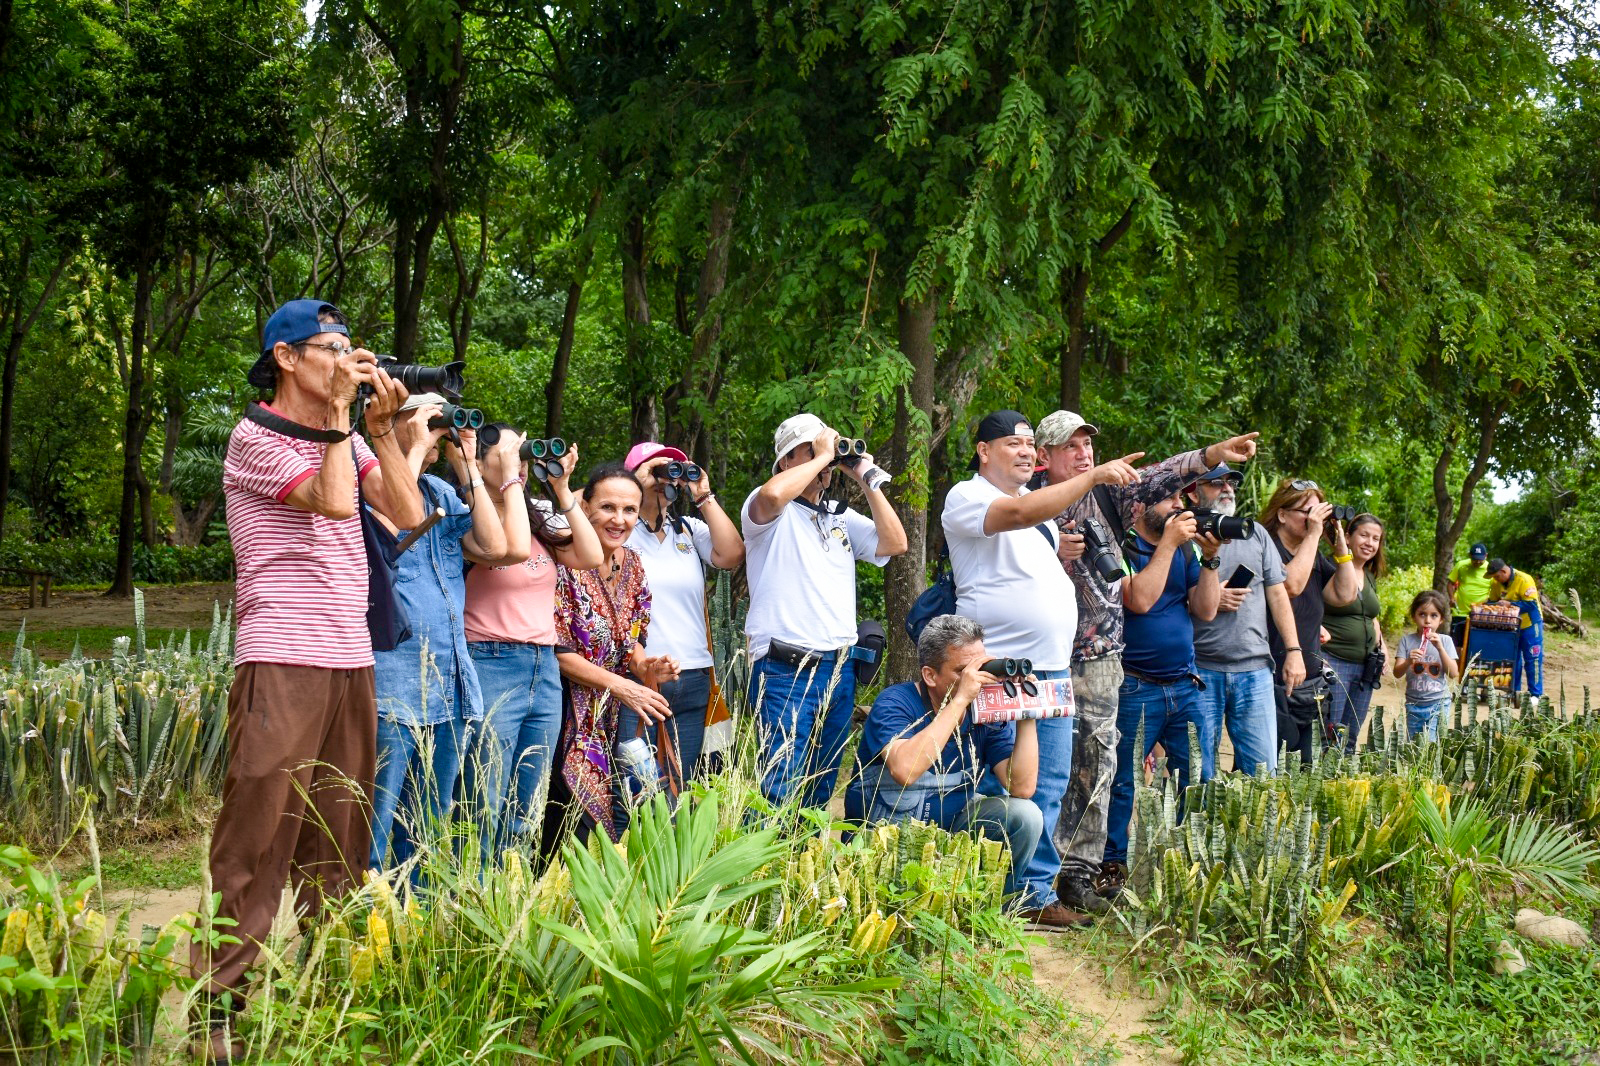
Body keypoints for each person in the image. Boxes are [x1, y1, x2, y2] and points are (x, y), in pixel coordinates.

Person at [194, 300, 423, 1056]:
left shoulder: (344, 434)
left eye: (352, 351)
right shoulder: (255, 436)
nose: (347, 363)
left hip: (351, 658)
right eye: (332, 349)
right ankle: (219, 1018)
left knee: (339, 844)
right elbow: (329, 501)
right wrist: (337, 417)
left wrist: (381, 431)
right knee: (257, 842)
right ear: (287, 357)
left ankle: (326, 1000)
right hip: (282, 657)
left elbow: (405, 509)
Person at [1032, 410, 1261, 911]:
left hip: (1099, 656)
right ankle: (1031, 876)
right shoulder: (1027, 503)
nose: (1084, 453)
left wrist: (1212, 456)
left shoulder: (1107, 496)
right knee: (1045, 770)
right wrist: (1050, 551)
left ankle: (1078, 876)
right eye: (1070, 446)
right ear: (1043, 456)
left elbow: (1160, 478)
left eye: (1087, 444)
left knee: (1097, 764)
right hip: (1039, 656)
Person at [941, 409, 1141, 929]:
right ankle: (972, 886)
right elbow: (1014, 515)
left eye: (1032, 444)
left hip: (1050, 669)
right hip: (996, 671)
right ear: (984, 451)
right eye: (1014, 443)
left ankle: (1031, 895)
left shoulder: (1043, 522)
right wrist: (1090, 477)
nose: (1028, 452)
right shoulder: (969, 497)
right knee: (997, 782)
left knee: (1047, 782)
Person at [368, 394, 510, 874]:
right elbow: (392, 520)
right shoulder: (365, 485)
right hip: (392, 684)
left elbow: (495, 547)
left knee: (429, 827)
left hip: (448, 682)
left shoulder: (439, 493)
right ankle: (360, 930)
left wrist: (468, 466)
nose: (437, 430)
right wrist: (406, 444)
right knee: (375, 821)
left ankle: (418, 932)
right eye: (427, 418)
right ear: (394, 421)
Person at [742, 414, 907, 809]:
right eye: (811, 449)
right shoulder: (767, 509)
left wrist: (865, 478)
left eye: (828, 450)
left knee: (820, 785)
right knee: (777, 787)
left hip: (839, 668)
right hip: (786, 669)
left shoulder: (838, 517)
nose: (826, 459)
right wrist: (821, 456)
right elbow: (771, 498)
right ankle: (761, 867)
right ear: (785, 461)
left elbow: (895, 542)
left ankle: (802, 866)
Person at [463, 429, 603, 860]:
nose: (516, 461)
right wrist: (509, 484)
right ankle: (473, 894)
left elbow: (591, 555)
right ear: (477, 461)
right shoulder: (467, 516)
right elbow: (512, 549)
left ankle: (514, 892)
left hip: (543, 666)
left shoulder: (538, 515)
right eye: (505, 454)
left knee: (530, 798)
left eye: (521, 453)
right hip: (490, 660)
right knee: (485, 797)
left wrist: (560, 490)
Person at [845, 615, 1041, 900]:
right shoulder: (896, 701)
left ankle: (991, 910)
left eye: (982, 666)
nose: (976, 679)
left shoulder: (983, 713)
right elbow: (905, 769)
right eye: (963, 670)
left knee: (1026, 816)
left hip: (951, 838)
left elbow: (1021, 787)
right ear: (930, 675)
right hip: (886, 850)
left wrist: (1025, 712)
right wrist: (960, 699)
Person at [545, 463, 678, 849]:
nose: (619, 519)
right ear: (584, 507)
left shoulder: (633, 564)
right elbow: (556, 650)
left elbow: (631, 640)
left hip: (611, 717)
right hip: (563, 715)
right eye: (607, 507)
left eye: (630, 510)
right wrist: (622, 685)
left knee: (611, 830)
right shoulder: (562, 561)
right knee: (560, 829)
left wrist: (648, 667)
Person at [1102, 484, 1220, 886]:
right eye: (1169, 500)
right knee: (1125, 782)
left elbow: (1205, 610)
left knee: (1198, 774)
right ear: (1141, 506)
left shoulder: (1186, 549)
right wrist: (1168, 544)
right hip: (1137, 686)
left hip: (1185, 683)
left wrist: (1211, 558)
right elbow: (1141, 601)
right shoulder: (1124, 546)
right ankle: (1112, 867)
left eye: (1180, 500)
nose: (1179, 506)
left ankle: (1188, 859)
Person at [623, 442, 744, 789]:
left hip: (692, 675)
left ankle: (669, 843)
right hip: (639, 674)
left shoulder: (688, 529)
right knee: (637, 785)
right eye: (661, 470)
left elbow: (732, 553)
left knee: (678, 784)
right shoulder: (618, 527)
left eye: (677, 471)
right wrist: (635, 483)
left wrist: (703, 494)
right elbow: (578, 515)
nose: (670, 479)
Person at [1186, 464, 1303, 778]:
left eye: (1231, 483)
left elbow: (1278, 595)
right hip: (1200, 671)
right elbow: (1161, 601)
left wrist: (1294, 650)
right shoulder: (1181, 535)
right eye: (1216, 483)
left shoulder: (1255, 533)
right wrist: (1206, 599)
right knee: (1198, 775)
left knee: (1263, 774)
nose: (1227, 489)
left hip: (1254, 670)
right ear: (1193, 491)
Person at [1321, 514, 1387, 754]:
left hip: (1365, 667)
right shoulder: (1328, 567)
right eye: (1364, 535)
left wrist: (1383, 648)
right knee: (1329, 734)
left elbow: (1370, 615)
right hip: (1334, 660)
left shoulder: (1369, 575)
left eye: (1376, 538)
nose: (1370, 542)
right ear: (1347, 536)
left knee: (1350, 736)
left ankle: (1345, 785)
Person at [1392, 589, 1459, 741]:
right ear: (1414, 617)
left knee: (1431, 744)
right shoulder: (1407, 641)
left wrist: (1440, 648)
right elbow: (1397, 672)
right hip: (1413, 704)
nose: (1427, 620)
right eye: (1422, 614)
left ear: (1441, 619)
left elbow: (1454, 673)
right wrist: (1409, 660)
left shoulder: (1446, 641)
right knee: (1413, 745)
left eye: (1433, 615)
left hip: (1438, 704)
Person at [1486, 557, 1544, 697]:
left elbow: (1531, 605)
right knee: (1512, 660)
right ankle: (1513, 691)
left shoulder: (1524, 579)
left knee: (1532, 658)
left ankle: (1535, 694)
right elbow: (1493, 601)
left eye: (1497, 576)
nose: (1495, 579)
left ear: (1504, 571)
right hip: (1509, 626)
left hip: (1529, 624)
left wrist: (1510, 604)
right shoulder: (1495, 583)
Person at [1447, 542, 1492, 646]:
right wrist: (1451, 598)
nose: (1477, 562)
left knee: (1476, 644)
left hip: (1480, 614)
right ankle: (1457, 662)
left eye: (1480, 560)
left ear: (1486, 556)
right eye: (1474, 559)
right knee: (1456, 644)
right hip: (1460, 612)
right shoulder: (1461, 565)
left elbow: (1495, 590)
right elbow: (1450, 583)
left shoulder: (1490, 569)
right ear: (1470, 556)